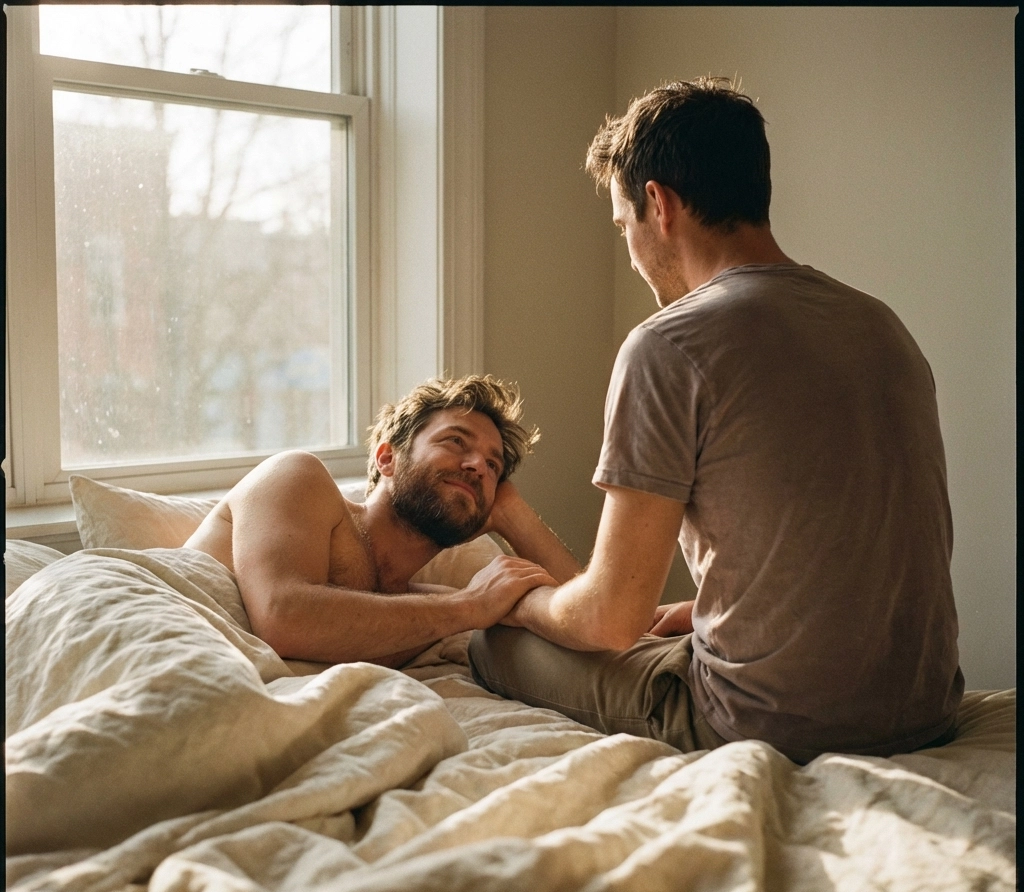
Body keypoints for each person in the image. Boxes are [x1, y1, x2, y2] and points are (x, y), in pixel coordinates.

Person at [468, 77, 963, 764]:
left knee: (490, 645)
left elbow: (611, 620)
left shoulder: (669, 344)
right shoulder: (881, 326)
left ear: (659, 204)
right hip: (926, 707)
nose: (631, 252)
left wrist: (516, 604)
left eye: (623, 227)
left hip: (775, 722)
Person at [186, 375, 581, 668]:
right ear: (387, 458)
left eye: (493, 466)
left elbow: (584, 616)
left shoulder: (418, 609)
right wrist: (470, 606)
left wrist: (512, 514)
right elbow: (283, 617)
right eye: (456, 441)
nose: (478, 465)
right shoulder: (298, 478)